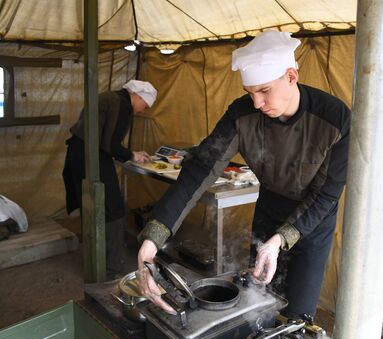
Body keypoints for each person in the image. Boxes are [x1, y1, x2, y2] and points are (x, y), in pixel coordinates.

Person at [137, 31, 351, 318]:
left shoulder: (334, 118)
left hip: (314, 221)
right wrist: (153, 237)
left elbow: (327, 193)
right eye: (250, 93)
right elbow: (201, 168)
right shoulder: (242, 115)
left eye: (264, 91)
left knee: (298, 312)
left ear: (291, 76)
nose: (257, 104)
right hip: (269, 208)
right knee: (258, 300)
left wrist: (278, 241)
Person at [63, 80, 157, 279]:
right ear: (138, 96)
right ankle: (112, 270)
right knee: (114, 209)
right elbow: (110, 144)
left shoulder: (110, 97)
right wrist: (132, 155)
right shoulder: (122, 104)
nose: (142, 111)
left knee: (91, 207)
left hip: (78, 154)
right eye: (145, 106)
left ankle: (94, 260)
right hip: (91, 156)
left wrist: (129, 153)